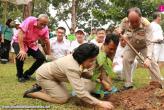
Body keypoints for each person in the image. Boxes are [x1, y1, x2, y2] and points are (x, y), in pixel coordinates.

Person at [23, 43, 114, 110]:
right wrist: (100, 102)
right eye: (91, 61)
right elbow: (80, 92)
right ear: (83, 58)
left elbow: (83, 73)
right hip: (45, 76)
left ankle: (43, 88)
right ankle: (32, 93)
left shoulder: (77, 59)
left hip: (55, 76)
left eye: (94, 60)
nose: (92, 63)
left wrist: (98, 79)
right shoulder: (72, 67)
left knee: (66, 95)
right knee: (62, 99)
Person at [115, 7, 163, 89]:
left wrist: (148, 58)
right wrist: (119, 30)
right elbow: (121, 28)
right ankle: (128, 83)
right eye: (131, 22)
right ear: (128, 19)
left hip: (145, 45)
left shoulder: (147, 25)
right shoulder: (125, 21)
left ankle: (158, 83)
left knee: (152, 62)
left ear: (140, 17)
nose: (134, 24)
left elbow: (150, 42)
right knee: (126, 59)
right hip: (131, 44)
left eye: (136, 21)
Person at [12, 14, 51, 82]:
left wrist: (49, 52)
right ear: (37, 20)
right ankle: (20, 75)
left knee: (41, 58)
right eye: (41, 24)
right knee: (20, 55)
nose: (43, 26)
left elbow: (47, 41)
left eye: (45, 25)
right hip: (19, 40)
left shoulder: (45, 29)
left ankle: (27, 74)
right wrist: (22, 49)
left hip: (31, 44)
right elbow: (20, 33)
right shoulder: (30, 20)